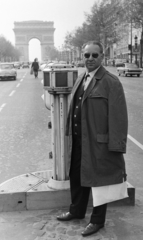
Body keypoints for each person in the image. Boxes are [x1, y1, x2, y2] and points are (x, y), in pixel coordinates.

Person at [57, 41, 128, 237]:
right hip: (80, 140)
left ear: (101, 57)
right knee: (78, 177)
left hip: (100, 143)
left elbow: (119, 117)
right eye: (86, 55)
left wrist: (117, 146)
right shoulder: (81, 79)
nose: (90, 59)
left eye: (94, 55)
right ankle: (76, 211)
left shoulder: (111, 82)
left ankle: (97, 220)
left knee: (100, 182)